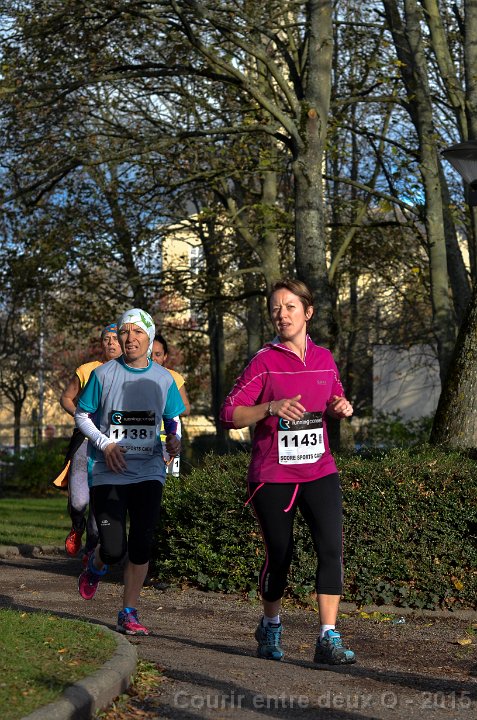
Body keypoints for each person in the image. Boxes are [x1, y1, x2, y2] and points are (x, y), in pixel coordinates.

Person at [220, 278, 356, 665]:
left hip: (319, 470)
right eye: (276, 309)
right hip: (273, 475)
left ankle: (327, 637)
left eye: (290, 307)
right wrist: (270, 407)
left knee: (330, 548)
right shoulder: (263, 362)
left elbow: (334, 396)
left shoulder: (324, 358)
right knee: (280, 555)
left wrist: (340, 407)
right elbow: (229, 414)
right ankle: (270, 624)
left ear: (307, 312)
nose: (282, 315)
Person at [74, 308, 184, 635]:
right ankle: (96, 565)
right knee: (113, 549)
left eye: (137, 332)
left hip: (149, 470)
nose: (130, 338)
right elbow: (82, 415)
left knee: (141, 543)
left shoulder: (164, 378)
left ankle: (128, 612)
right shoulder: (103, 374)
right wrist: (105, 443)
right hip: (108, 471)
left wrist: (173, 441)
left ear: (149, 337)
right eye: (125, 332)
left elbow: (172, 420)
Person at [59, 324, 122, 561]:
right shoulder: (87, 370)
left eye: (115, 338)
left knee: (100, 504)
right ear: (101, 343)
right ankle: (77, 525)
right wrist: (82, 417)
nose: (111, 343)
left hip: (113, 446)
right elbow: (66, 398)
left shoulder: (131, 373)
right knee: (79, 501)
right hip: (86, 442)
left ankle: (90, 552)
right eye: (106, 339)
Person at [152, 333, 190, 476]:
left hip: (169, 441)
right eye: (149, 354)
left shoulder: (174, 377)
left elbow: (186, 408)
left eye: (158, 354)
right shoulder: (134, 377)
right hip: (142, 440)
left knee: (168, 482)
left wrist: (167, 406)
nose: (153, 358)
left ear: (165, 356)